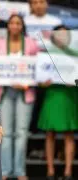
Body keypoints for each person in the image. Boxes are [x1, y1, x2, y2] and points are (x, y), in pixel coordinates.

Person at [0, 14, 39, 180]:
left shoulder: (32, 44)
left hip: (25, 92)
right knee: (6, 132)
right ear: (8, 25)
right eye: (12, 22)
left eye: (18, 23)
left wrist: (26, 83)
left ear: (22, 26)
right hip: (4, 91)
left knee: (21, 132)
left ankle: (20, 172)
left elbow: (37, 69)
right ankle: (5, 171)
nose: (15, 25)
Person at [38, 25, 78, 180]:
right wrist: (43, 83)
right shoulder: (45, 54)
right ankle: (50, 171)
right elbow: (38, 78)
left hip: (69, 95)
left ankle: (68, 171)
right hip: (52, 94)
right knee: (50, 133)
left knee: (69, 133)